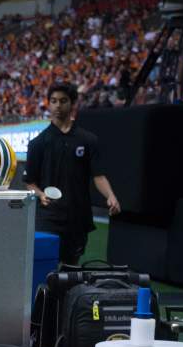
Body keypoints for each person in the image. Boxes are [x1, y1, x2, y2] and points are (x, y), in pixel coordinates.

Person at [25, 82, 122, 266]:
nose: (58, 106)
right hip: (48, 217)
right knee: (46, 267)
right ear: (48, 104)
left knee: (71, 270)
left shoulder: (88, 140)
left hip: (77, 217)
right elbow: (30, 182)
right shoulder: (38, 143)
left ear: (73, 103)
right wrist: (40, 194)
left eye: (63, 101)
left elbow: (98, 175)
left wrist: (110, 196)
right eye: (53, 101)